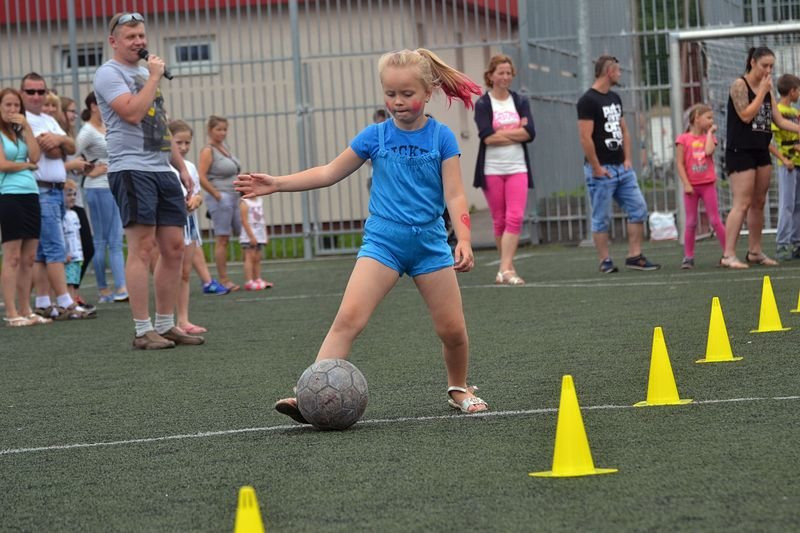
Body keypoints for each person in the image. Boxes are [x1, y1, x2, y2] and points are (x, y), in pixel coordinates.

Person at [236, 48, 489, 422]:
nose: (398, 102)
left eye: (407, 94)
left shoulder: (442, 138)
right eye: (390, 94)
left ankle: (458, 387)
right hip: (383, 245)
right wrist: (276, 183)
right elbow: (327, 172)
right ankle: (309, 393)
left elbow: (454, 193)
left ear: (428, 92)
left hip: (430, 246)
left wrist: (464, 239)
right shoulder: (375, 136)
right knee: (348, 319)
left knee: (452, 331)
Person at [94, 12, 201, 349]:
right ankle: (143, 331)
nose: (139, 42)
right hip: (131, 169)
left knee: (173, 248)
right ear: (114, 42)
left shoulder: (144, 73)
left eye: (141, 35)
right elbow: (132, 113)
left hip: (161, 169)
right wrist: (154, 77)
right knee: (143, 247)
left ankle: (166, 325)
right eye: (131, 37)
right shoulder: (109, 74)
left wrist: (180, 166)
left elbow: (160, 126)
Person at [577, 55, 660, 273]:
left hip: (622, 169)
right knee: (601, 217)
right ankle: (605, 260)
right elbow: (585, 137)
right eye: (618, 70)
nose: (620, 74)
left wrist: (628, 159)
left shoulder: (614, 98)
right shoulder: (588, 101)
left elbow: (624, 129)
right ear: (608, 71)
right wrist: (596, 167)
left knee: (638, 209)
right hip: (601, 170)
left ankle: (635, 255)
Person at [21, 73, 93, 319]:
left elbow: (70, 147)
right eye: (31, 92)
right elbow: (50, 152)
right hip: (41, 188)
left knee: (42, 252)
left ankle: (43, 300)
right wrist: (60, 144)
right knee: (54, 248)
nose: (37, 97)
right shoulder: (25, 120)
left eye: (41, 91)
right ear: (22, 94)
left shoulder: (48, 120)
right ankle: (65, 301)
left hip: (54, 190)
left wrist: (60, 140)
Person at [722, 47, 800, 268]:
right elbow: (746, 115)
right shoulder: (740, 85)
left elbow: (779, 120)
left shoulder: (767, 90)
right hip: (741, 150)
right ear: (752, 62)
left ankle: (755, 251)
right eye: (764, 65)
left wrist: (797, 129)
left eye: (771, 66)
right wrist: (762, 92)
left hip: (761, 149)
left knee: (759, 202)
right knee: (742, 203)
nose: (768, 70)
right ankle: (728, 254)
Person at [473, 54, 535, 285]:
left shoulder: (520, 101)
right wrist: (516, 132)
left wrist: (503, 134)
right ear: (491, 76)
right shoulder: (483, 104)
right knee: (499, 220)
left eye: (509, 72)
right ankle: (506, 268)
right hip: (491, 169)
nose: (506, 76)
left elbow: (530, 134)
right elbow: (487, 137)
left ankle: (505, 268)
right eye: (501, 72)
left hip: (517, 167)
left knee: (515, 216)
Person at [0, 87, 51, 326]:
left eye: (16, 106)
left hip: (30, 193)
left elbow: (35, 156)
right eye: (8, 105)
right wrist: (25, 167)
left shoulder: (19, 132)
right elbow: (3, 165)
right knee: (11, 256)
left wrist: (28, 127)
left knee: (29, 257)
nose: (13, 110)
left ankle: (26, 308)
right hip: (9, 195)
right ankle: (11, 312)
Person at [76, 91, 129, 303]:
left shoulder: (109, 126)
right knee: (103, 240)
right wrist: (89, 170)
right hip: (98, 187)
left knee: (115, 238)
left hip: (115, 185)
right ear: (93, 106)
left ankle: (117, 288)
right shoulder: (87, 131)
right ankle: (109, 288)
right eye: (101, 103)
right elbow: (72, 154)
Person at [165, 120, 207, 338]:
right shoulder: (163, 165)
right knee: (168, 271)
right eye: (178, 142)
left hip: (189, 223)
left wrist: (195, 202)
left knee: (184, 273)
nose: (182, 147)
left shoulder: (189, 167)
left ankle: (183, 319)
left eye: (186, 143)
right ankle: (166, 320)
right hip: (169, 223)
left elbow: (197, 194)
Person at [55, 94, 96, 307]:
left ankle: (72, 294)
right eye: (70, 110)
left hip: (73, 197)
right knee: (71, 251)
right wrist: (73, 166)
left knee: (83, 249)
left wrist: (83, 168)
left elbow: (71, 166)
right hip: (61, 200)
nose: (74, 114)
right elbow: (50, 168)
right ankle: (63, 296)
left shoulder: (69, 135)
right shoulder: (56, 136)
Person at [675, 104, 726, 269]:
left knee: (715, 220)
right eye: (708, 118)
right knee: (690, 222)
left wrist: (710, 133)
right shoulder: (683, 139)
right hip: (692, 187)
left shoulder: (709, 137)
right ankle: (688, 257)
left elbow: (709, 151)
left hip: (708, 184)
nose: (712, 121)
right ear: (697, 118)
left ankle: (728, 252)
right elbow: (680, 164)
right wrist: (686, 184)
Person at [197, 115, 242, 292]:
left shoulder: (225, 149)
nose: (222, 133)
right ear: (210, 130)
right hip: (220, 198)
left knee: (243, 236)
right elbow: (201, 175)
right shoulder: (208, 151)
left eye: (225, 129)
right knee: (222, 238)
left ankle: (252, 276)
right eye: (218, 129)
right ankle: (223, 279)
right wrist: (217, 195)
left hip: (234, 197)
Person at [769, 73, 800, 261]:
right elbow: (769, 142)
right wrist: (784, 158)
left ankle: (797, 243)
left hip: (798, 162)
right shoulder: (778, 111)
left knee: (798, 206)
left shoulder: (795, 113)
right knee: (787, 205)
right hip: (787, 164)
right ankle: (782, 244)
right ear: (792, 91)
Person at [62, 179, 89, 305]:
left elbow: (77, 235)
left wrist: (80, 252)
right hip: (67, 255)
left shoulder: (74, 214)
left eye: (74, 195)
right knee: (67, 281)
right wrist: (64, 252)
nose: (72, 198)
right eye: (68, 195)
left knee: (73, 281)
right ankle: (68, 303)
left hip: (76, 255)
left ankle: (73, 301)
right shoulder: (61, 215)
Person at [239, 195, 273, 291]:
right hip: (249, 235)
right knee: (249, 257)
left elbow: (262, 219)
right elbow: (244, 221)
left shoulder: (259, 201)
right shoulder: (244, 202)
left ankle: (257, 279)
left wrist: (265, 235)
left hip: (259, 233)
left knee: (257, 258)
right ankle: (249, 281)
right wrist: (251, 236)